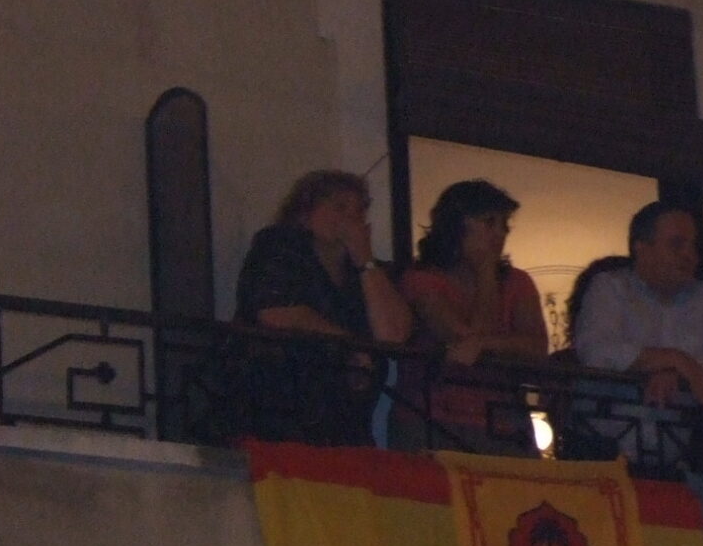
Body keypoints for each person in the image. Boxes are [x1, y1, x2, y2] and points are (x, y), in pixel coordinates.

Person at [230, 169, 412, 446]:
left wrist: (365, 261)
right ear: (305, 213)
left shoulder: (368, 274)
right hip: (279, 410)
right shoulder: (278, 247)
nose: (351, 218)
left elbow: (393, 335)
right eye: (339, 207)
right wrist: (350, 345)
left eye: (359, 211)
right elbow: (276, 312)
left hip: (346, 423)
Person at [396, 179, 549, 454]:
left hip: (503, 422)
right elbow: (463, 337)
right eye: (489, 223)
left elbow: (536, 347)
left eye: (504, 225)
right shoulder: (422, 280)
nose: (500, 234)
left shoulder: (518, 282)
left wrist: (485, 344)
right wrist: (486, 273)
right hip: (434, 418)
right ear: (457, 225)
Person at [569, 200, 703, 405]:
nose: (689, 255)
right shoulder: (610, 287)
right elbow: (596, 350)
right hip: (615, 419)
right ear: (642, 249)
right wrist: (676, 360)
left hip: (686, 423)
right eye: (676, 245)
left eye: (693, 246)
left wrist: (678, 371)